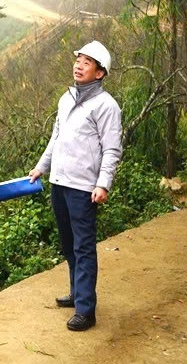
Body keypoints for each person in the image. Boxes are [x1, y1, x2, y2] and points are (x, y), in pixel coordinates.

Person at [28, 40, 123, 332]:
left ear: (99, 73)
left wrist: (103, 183)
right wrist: (42, 167)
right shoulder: (66, 98)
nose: (79, 65)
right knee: (68, 245)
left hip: (84, 188)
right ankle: (76, 293)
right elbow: (56, 139)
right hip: (59, 182)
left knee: (83, 247)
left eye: (86, 62)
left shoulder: (106, 106)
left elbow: (112, 150)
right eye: (78, 60)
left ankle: (86, 310)